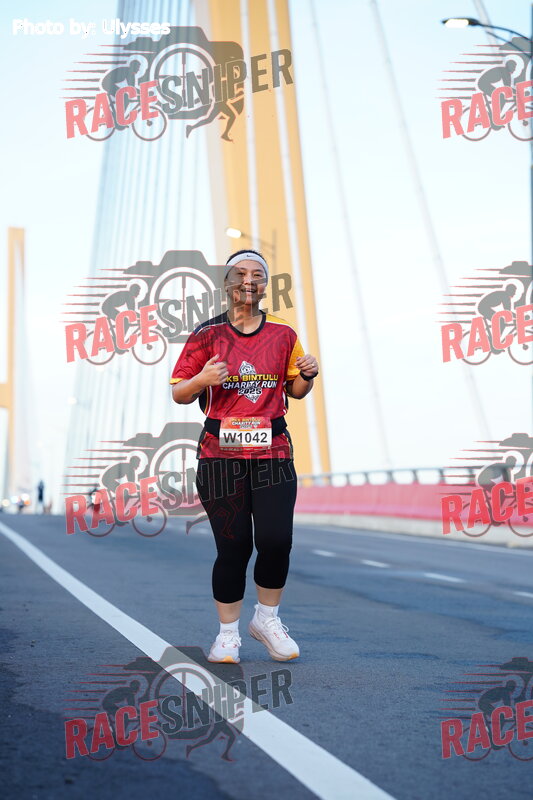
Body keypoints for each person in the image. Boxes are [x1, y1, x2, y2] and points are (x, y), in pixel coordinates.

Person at [170, 249, 319, 663]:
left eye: (257, 274)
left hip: (273, 453)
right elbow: (180, 392)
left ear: (266, 285)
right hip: (220, 457)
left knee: (276, 540)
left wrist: (307, 375)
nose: (248, 280)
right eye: (240, 273)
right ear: (227, 283)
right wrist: (202, 378)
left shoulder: (283, 335)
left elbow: (295, 390)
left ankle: (266, 620)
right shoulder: (206, 335)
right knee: (233, 545)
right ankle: (227, 635)